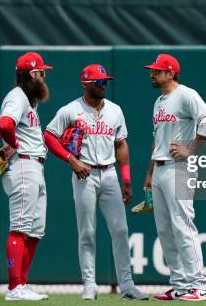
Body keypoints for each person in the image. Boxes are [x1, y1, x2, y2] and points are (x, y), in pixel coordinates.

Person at [44, 64, 148, 301]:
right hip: (84, 175)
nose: (103, 85)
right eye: (99, 81)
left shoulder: (115, 110)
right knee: (87, 232)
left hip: (110, 173)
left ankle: (127, 285)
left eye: (105, 81)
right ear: (85, 83)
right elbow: (49, 136)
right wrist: (71, 159)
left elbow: (121, 145)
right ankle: (89, 284)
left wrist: (127, 180)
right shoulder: (71, 110)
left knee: (121, 229)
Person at [143, 54, 206, 302]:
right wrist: (150, 174)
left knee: (183, 226)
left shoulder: (186, 94)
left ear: (171, 73)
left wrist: (191, 149)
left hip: (180, 167)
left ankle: (199, 286)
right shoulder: (159, 101)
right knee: (165, 230)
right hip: (162, 167)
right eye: (152, 70)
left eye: (157, 71)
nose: (152, 74)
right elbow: (157, 138)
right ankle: (180, 285)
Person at [0, 52, 52, 301]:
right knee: (19, 228)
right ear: (31, 74)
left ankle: (22, 284)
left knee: (34, 231)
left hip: (35, 166)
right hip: (23, 165)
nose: (43, 77)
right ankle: (13, 288)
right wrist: (13, 145)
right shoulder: (17, 97)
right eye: (41, 72)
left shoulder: (30, 101)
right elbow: (5, 124)